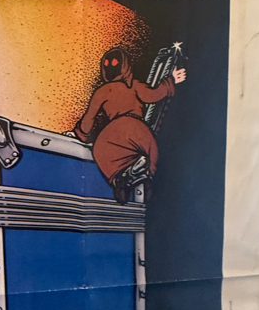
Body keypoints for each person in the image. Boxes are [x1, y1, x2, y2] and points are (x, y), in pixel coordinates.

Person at [75, 47, 186, 203]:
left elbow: (89, 119)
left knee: (101, 152)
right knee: (151, 153)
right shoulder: (134, 85)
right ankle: (144, 176)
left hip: (113, 133)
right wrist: (170, 81)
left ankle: (118, 181)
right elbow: (154, 95)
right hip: (139, 131)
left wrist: (81, 134)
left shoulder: (103, 91)